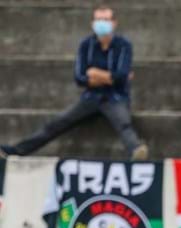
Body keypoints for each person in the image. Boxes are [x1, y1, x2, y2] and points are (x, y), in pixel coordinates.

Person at [0, 6, 148, 160]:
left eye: (105, 19)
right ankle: (16, 151)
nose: (101, 23)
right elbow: (80, 77)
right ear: (92, 23)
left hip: (115, 98)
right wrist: (109, 78)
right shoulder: (86, 45)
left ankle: (136, 150)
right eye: (98, 19)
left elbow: (121, 76)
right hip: (90, 98)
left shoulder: (124, 45)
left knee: (124, 124)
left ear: (114, 23)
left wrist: (95, 73)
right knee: (55, 124)